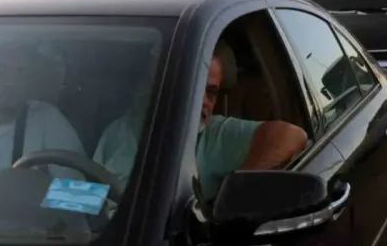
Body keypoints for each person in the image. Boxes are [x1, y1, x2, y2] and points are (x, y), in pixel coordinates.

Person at [93, 41, 308, 201]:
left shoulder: (213, 134)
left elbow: (290, 136)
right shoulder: (119, 131)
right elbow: (86, 201)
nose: (203, 101)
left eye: (211, 92)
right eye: (194, 88)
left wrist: (236, 190)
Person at [0, 48, 84, 177]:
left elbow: (76, 191)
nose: (11, 81)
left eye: (21, 73)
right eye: (2, 70)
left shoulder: (47, 120)